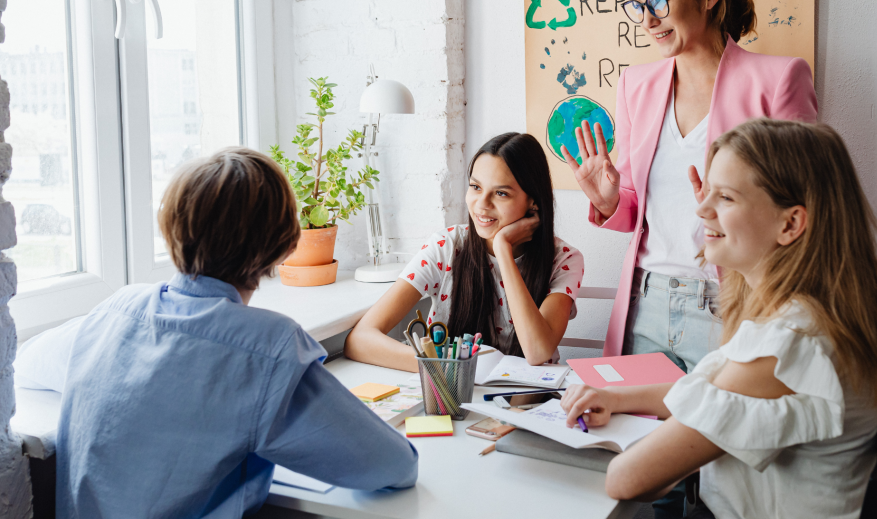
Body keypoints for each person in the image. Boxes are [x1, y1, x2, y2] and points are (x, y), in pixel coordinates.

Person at [561, 119, 877, 518]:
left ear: (790, 224)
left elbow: (627, 479)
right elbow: (717, 389)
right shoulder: (815, 313)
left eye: (726, 198)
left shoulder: (788, 343)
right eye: (707, 192)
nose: (700, 208)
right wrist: (617, 398)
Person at [48, 147, 418, 519]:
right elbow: (394, 467)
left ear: (171, 228)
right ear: (289, 246)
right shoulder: (269, 350)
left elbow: (33, 365)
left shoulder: (112, 310)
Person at [566, 0, 818, 376]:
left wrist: (730, 207)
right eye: (638, 6)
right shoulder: (635, 86)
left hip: (733, 305)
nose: (647, 19)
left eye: (659, 1)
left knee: (722, 442)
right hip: (645, 303)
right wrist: (608, 202)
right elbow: (636, 209)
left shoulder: (779, 81)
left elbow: (803, 212)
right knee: (630, 438)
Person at [346, 132, 584, 371]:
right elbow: (360, 341)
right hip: (454, 393)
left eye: (501, 193)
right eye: (475, 187)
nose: (482, 204)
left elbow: (538, 352)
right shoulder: (446, 246)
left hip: (529, 403)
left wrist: (503, 250)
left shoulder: (564, 259)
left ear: (533, 202)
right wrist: (449, 368)